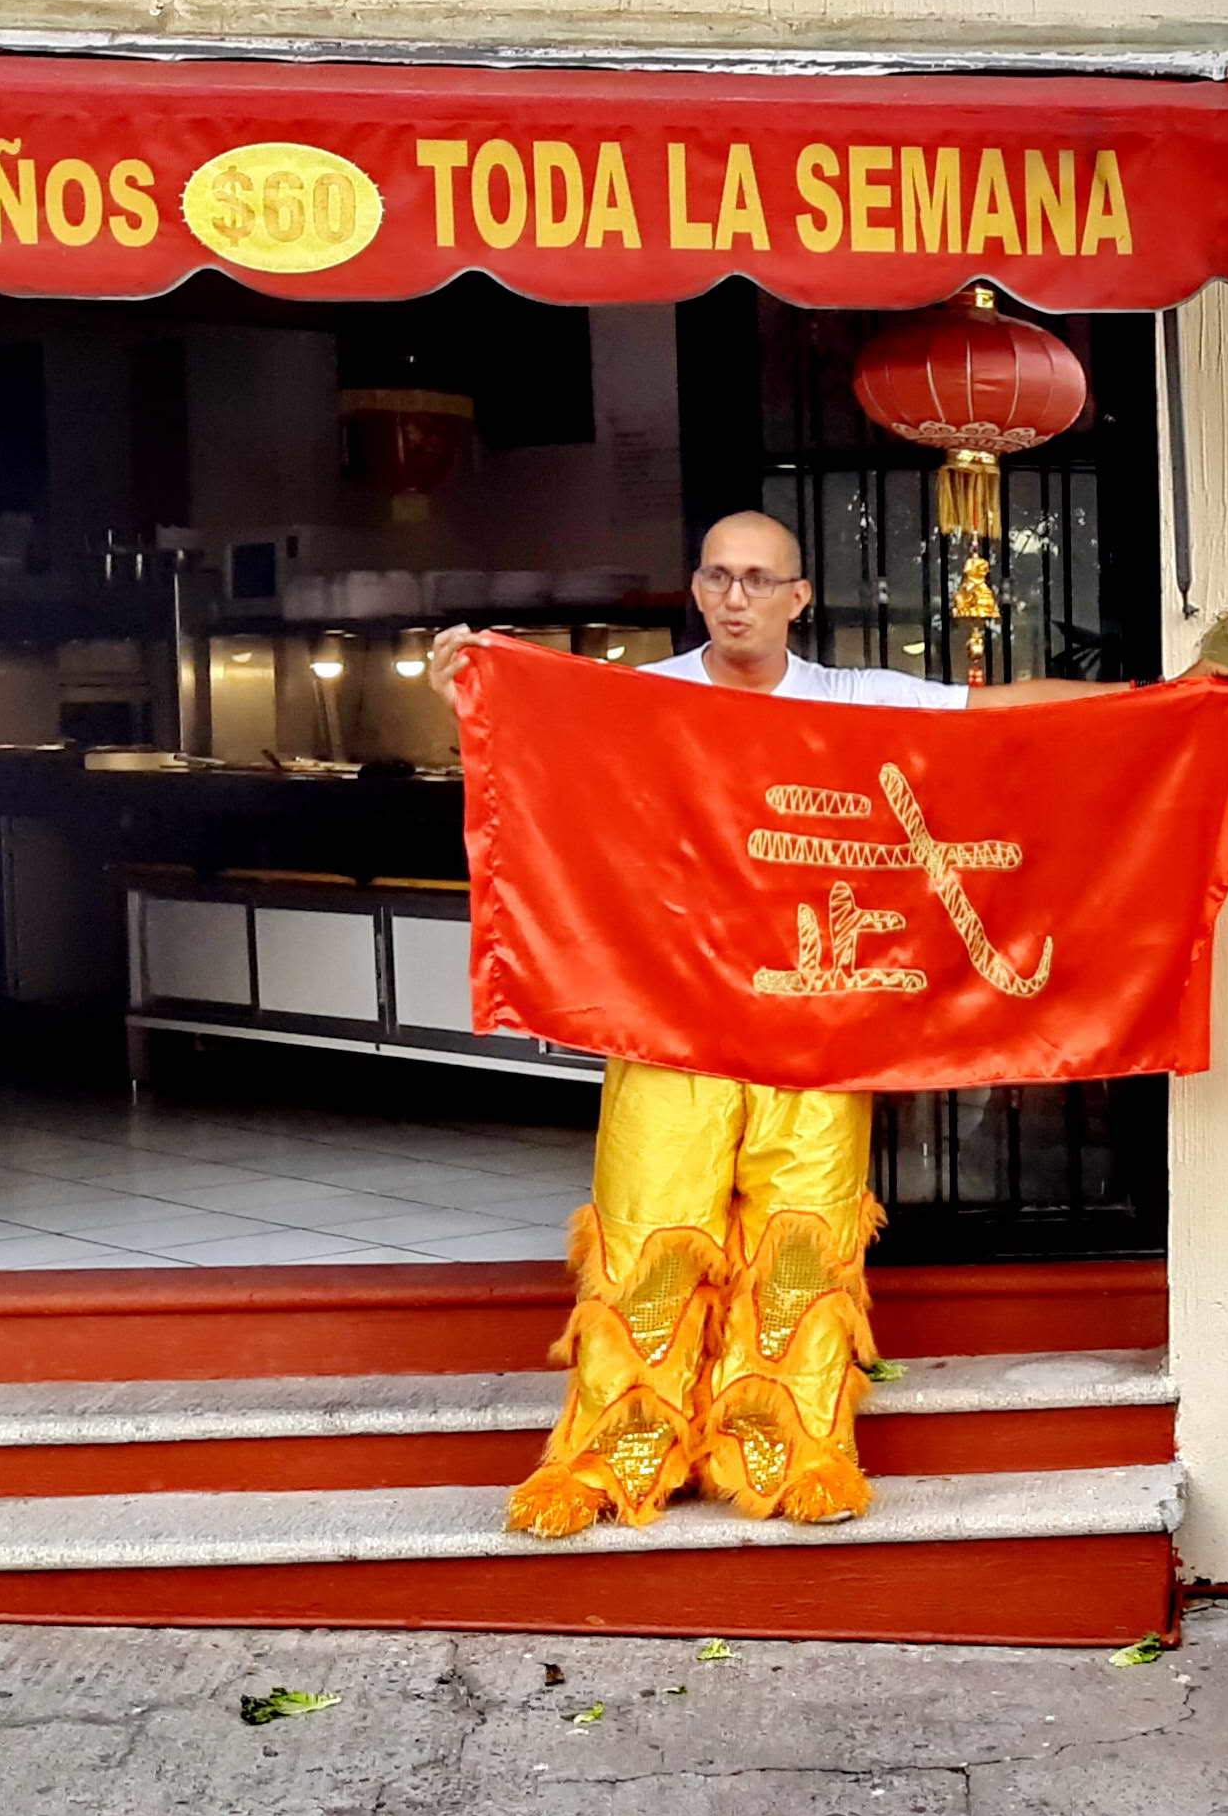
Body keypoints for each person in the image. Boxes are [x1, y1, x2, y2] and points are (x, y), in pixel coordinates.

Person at [432, 511, 1121, 1538]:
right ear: (697, 590)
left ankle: (789, 1446)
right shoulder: (644, 698)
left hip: (814, 1021)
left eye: (760, 578)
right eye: (719, 577)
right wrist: (469, 691)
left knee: (803, 1240)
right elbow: (535, 764)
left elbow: (1002, 713)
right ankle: (621, 1453)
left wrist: (1163, 704)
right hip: (670, 1017)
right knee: (652, 1227)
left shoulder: (861, 701)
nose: (738, 596)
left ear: (800, 597)